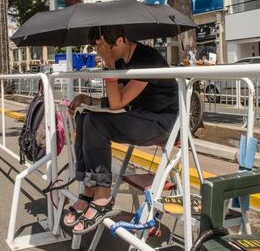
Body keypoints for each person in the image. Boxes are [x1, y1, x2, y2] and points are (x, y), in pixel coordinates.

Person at [64, 25, 178, 234]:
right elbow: (118, 99)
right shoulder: (120, 60)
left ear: (119, 41)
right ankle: (89, 189)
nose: (98, 52)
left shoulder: (146, 58)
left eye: (100, 47)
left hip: (162, 122)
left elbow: (117, 103)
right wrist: (88, 100)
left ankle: (103, 195)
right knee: (84, 117)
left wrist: (108, 65)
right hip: (140, 116)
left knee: (96, 122)